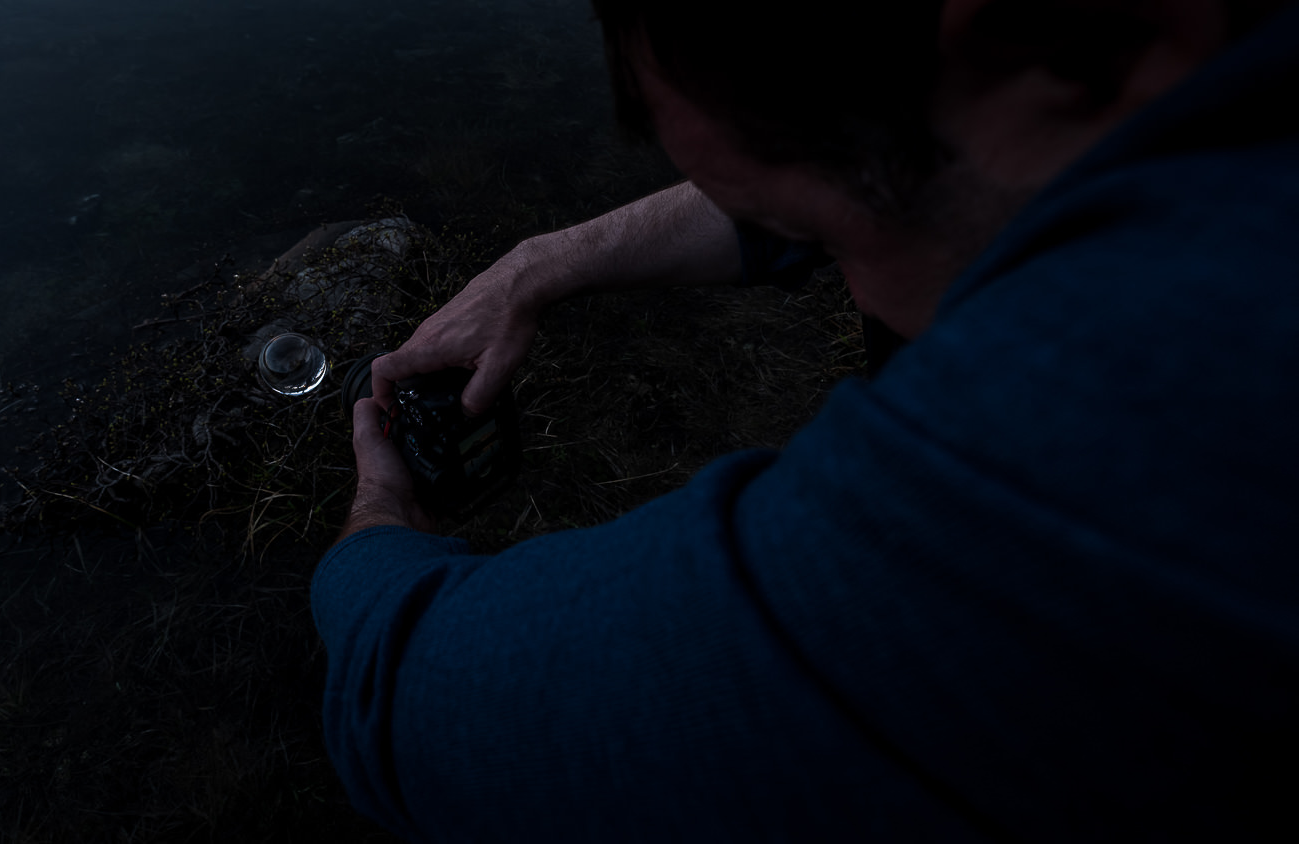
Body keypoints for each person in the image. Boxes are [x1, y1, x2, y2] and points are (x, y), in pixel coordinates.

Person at [311, 0, 1299, 840]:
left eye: (823, 238)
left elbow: (415, 701)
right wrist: (540, 264)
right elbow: (881, 166)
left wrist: (377, 530)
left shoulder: (1069, 470)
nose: (870, 309)